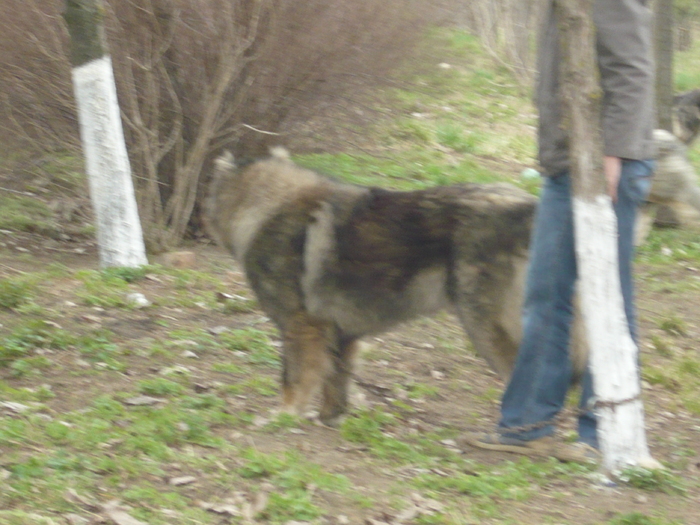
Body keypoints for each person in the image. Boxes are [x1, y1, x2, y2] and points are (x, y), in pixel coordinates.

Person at [464, 0, 656, 463]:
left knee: (606, 300)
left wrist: (613, 155)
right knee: (548, 293)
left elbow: (632, 67)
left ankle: (604, 430)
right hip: (572, 163)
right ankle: (532, 425)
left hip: (599, 165)